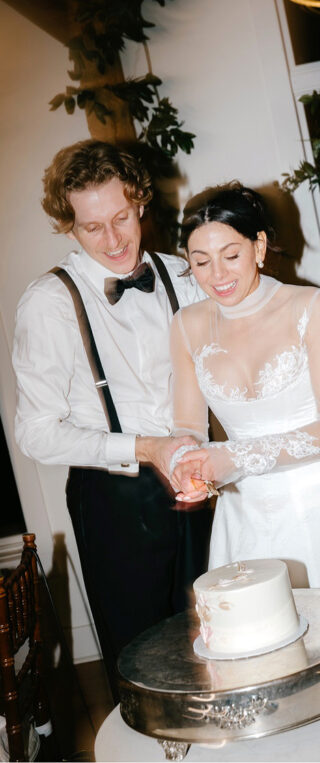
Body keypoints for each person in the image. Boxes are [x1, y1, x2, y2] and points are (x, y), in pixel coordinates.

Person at [12, 140, 213, 696]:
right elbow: (35, 433)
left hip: (205, 486)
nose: (114, 239)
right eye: (92, 227)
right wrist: (144, 448)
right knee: (144, 663)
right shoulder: (49, 304)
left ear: (141, 203)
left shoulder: (186, 275)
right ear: (69, 228)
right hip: (117, 503)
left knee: (221, 643)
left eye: (121, 217)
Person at [168, 184, 320, 620]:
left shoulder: (312, 305)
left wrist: (235, 458)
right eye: (200, 261)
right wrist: (188, 461)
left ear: (259, 245)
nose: (217, 275)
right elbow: (186, 424)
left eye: (231, 255)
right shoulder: (186, 324)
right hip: (243, 517)